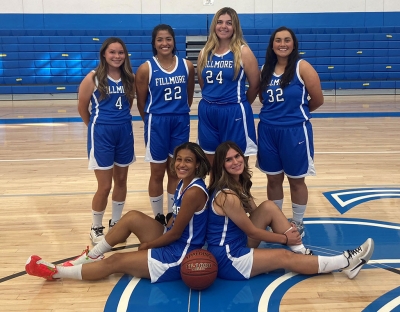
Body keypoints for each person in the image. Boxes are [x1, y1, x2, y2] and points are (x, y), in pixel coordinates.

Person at [25, 142, 211, 283]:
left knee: (115, 261)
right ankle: (93, 255)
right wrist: (161, 231)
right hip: (176, 241)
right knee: (132, 217)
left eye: (188, 160)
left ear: (197, 165)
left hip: (181, 253)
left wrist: (149, 245)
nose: (181, 164)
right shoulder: (183, 183)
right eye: (179, 159)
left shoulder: (194, 192)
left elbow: (176, 233)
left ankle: (57, 272)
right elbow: (175, 224)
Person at [206, 141, 374, 281]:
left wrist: (284, 233)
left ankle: (302, 252)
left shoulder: (238, 184)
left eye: (237, 156)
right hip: (229, 258)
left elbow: (260, 214)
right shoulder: (228, 196)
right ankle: (346, 262)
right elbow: (253, 231)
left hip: (238, 241)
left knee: (269, 206)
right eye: (229, 160)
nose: (235, 162)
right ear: (222, 165)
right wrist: (284, 238)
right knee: (283, 257)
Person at [257, 26, 324, 237]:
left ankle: (298, 222)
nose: (282, 44)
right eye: (278, 40)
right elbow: (262, 99)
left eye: (287, 40)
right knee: (273, 179)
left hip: (295, 132)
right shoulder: (265, 69)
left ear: (293, 44)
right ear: (272, 45)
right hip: (268, 130)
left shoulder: (302, 67)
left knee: (296, 180)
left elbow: (318, 99)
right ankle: (276, 220)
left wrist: (296, 114)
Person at [77, 37, 136, 244]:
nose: (117, 56)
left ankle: (116, 222)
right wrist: (96, 125)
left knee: (121, 181)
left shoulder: (129, 78)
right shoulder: (93, 78)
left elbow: (128, 104)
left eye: (120, 53)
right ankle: (96, 227)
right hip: (102, 132)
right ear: (104, 54)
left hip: (124, 131)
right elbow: (82, 108)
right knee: (104, 186)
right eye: (112, 52)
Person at [136, 24, 195, 218]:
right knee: (157, 172)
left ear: (173, 41)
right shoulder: (146, 68)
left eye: (168, 39)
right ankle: (158, 216)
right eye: (160, 39)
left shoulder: (186, 66)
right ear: (154, 43)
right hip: (157, 122)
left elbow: (189, 95)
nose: (164, 43)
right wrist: (153, 119)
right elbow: (142, 102)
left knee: (175, 170)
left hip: (180, 120)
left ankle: (172, 213)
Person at [196, 7, 259, 170]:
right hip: (208, 111)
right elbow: (204, 84)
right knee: (212, 164)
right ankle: (217, 195)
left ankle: (240, 195)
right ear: (214, 25)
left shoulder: (243, 51)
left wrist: (240, 104)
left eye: (229, 23)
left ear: (235, 27)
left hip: (234, 112)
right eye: (220, 22)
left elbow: (255, 85)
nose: (223, 26)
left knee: (237, 166)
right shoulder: (204, 53)